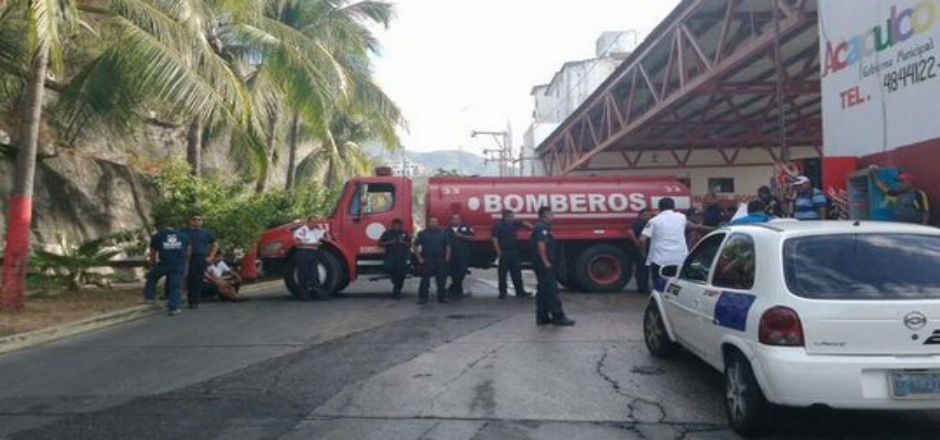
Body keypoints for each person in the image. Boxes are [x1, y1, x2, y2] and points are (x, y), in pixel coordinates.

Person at [531, 207, 575, 326]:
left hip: (540, 263)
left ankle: (542, 316)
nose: (553, 216)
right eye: (551, 214)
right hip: (544, 264)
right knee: (551, 289)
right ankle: (558, 316)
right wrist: (546, 262)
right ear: (545, 216)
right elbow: (541, 245)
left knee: (542, 290)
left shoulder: (541, 227)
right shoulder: (542, 228)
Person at [641, 198, 690, 292]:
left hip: (660, 260)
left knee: (659, 288)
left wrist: (644, 253)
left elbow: (642, 239)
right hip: (679, 258)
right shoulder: (682, 217)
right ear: (673, 207)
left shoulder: (654, 221)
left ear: (659, 207)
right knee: (676, 286)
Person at [144, 219, 191, 316]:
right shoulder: (183, 236)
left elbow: (153, 253)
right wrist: (185, 260)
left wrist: (152, 264)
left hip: (165, 263)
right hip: (179, 264)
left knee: (152, 277)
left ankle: (150, 297)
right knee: (176, 286)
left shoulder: (157, 236)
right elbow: (189, 250)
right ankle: (174, 308)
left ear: (160, 227)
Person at [492, 210, 533, 299]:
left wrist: (534, 228)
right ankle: (502, 293)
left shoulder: (515, 224)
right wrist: (498, 251)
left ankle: (520, 292)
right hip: (504, 251)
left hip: (514, 251)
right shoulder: (498, 226)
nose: (512, 218)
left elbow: (526, 224)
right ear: (505, 217)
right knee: (502, 274)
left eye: (512, 216)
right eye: (511, 216)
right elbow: (495, 239)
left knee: (517, 273)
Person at [182, 215, 218, 309]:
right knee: (190, 279)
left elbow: (215, 243)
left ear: (202, 222)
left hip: (201, 258)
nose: (196, 221)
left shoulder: (206, 233)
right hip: (188, 258)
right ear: (190, 221)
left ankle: (195, 301)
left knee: (198, 279)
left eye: (199, 220)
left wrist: (211, 256)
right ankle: (191, 301)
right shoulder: (184, 232)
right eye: (194, 219)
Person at [293, 216, 331, 301]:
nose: (315, 224)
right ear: (308, 222)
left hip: (314, 252)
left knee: (314, 274)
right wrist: (311, 245)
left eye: (316, 222)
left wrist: (326, 233)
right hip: (304, 252)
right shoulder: (301, 230)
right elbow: (297, 243)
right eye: (313, 222)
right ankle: (304, 295)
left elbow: (327, 238)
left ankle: (317, 293)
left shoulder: (316, 231)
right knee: (303, 274)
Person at [415, 217, 449, 304]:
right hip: (427, 259)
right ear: (428, 223)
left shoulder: (443, 233)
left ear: (437, 223)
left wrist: (447, 257)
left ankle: (442, 297)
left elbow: (448, 246)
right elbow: (415, 245)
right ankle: (423, 297)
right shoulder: (422, 234)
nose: (433, 223)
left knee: (441, 279)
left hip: (440, 259)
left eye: (435, 222)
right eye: (431, 222)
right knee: (425, 279)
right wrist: (419, 258)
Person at [379, 218, 412, 300]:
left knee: (401, 274)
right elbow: (380, 243)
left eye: (398, 225)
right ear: (392, 225)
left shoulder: (404, 233)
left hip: (402, 256)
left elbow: (409, 244)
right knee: (391, 270)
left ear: (401, 225)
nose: (397, 227)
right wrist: (389, 242)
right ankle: (396, 288)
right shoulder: (387, 233)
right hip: (390, 256)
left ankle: (397, 290)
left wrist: (403, 242)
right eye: (395, 225)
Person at [444, 213, 475, 300]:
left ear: (460, 220)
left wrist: (461, 236)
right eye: (454, 219)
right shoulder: (447, 230)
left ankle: (453, 288)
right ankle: (457, 292)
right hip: (452, 255)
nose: (455, 220)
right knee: (453, 273)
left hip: (463, 254)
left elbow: (472, 238)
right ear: (451, 220)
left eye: (457, 218)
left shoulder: (466, 228)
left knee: (462, 272)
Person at [627, 209, 654, 295]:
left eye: (649, 215)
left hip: (641, 249)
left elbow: (630, 231)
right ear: (640, 215)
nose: (648, 216)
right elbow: (632, 233)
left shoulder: (643, 223)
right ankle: (643, 289)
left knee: (641, 269)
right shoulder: (640, 223)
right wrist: (640, 247)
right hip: (642, 250)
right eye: (646, 215)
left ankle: (641, 287)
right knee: (643, 270)